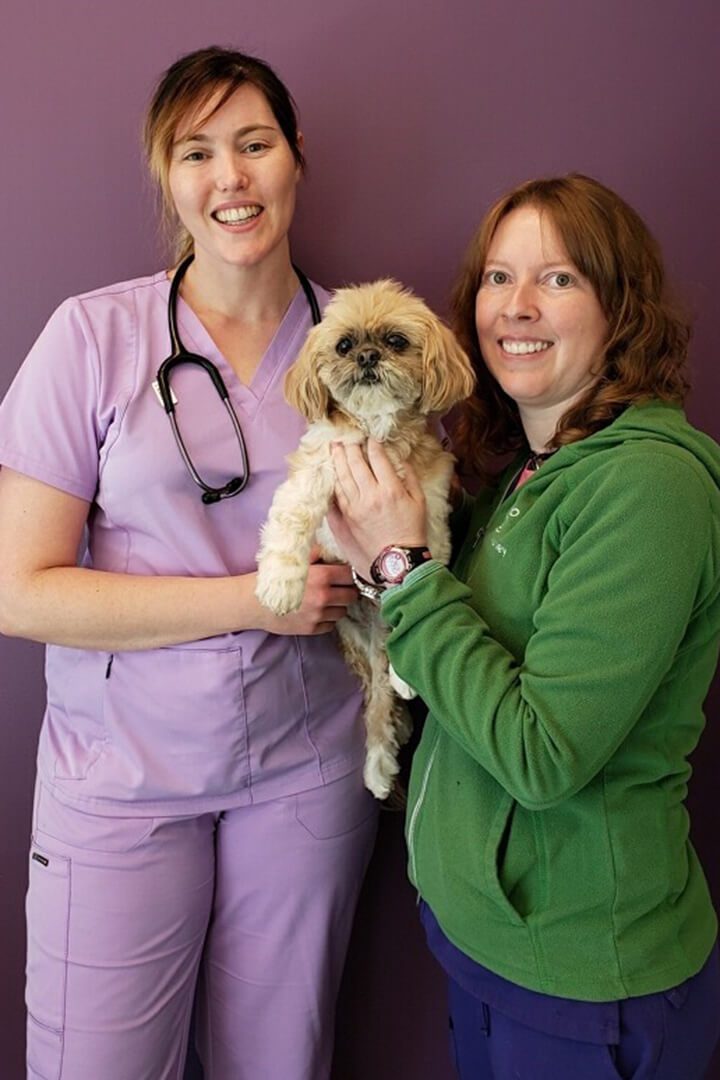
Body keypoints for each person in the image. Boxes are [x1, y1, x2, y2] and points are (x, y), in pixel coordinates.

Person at [0, 46, 379, 1080]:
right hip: (123, 775)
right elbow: (17, 588)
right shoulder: (93, 338)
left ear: (296, 158)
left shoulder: (360, 342)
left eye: (255, 144)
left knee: (279, 1061)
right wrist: (255, 601)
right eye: (197, 152)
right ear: (168, 177)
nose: (231, 178)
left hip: (305, 770)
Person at [328, 174, 720, 1079]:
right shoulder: (526, 473)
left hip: (584, 990)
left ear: (621, 305)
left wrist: (404, 568)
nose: (517, 307)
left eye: (560, 278)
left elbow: (545, 754)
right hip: (488, 950)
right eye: (499, 279)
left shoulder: (647, 488)